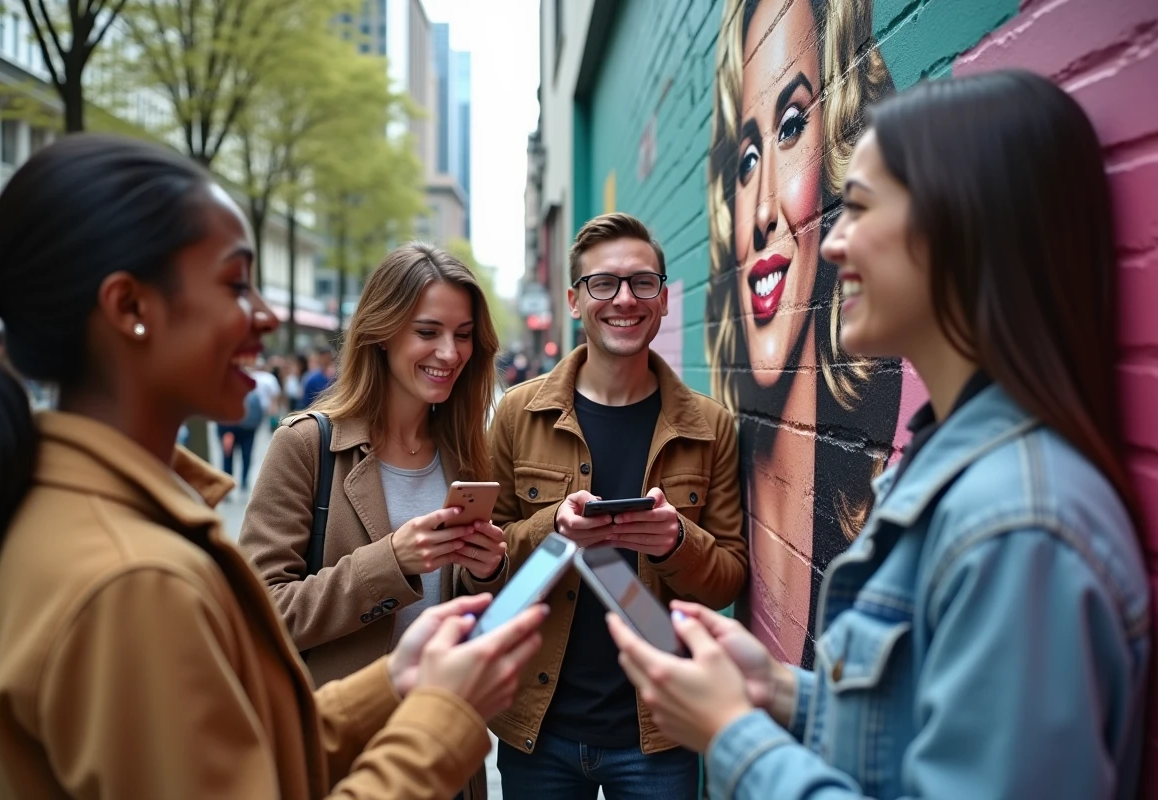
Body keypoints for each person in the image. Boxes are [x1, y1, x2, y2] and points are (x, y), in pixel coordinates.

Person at [607, 71, 1150, 799]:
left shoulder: (1019, 528)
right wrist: (777, 689)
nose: (829, 243)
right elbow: (918, 721)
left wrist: (734, 737)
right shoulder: (954, 477)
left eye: (857, 208)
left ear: (963, 221)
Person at [0, 133, 547, 799]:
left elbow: (248, 755)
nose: (266, 316)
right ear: (130, 308)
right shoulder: (135, 576)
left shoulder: (92, 523)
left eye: (463, 335)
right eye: (236, 284)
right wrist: (444, 713)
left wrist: (398, 681)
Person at [482, 212, 748, 799]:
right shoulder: (517, 416)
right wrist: (553, 530)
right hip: (540, 727)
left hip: (659, 727)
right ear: (575, 300)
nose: (624, 299)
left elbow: (728, 580)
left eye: (642, 283)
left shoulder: (710, 427)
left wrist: (677, 542)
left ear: (663, 300)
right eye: (603, 283)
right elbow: (484, 565)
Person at [239, 243, 508, 799]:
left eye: (462, 335)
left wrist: (487, 572)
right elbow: (257, 613)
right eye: (428, 331)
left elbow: (464, 613)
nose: (450, 352)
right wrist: (391, 562)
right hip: (342, 756)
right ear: (383, 332)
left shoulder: (464, 453)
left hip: (445, 751)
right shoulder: (307, 445)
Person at [704, 0, 901, 667]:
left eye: (791, 126)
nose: (760, 214)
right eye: (744, 158)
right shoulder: (717, 448)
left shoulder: (891, 510)